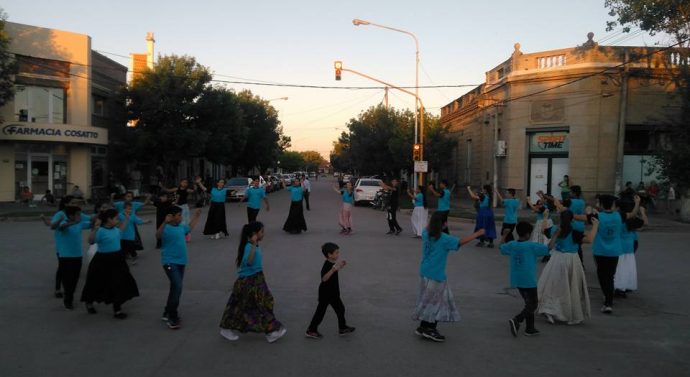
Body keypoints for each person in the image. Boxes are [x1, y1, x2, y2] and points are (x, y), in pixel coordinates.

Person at [413, 212, 485, 342]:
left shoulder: (425, 233)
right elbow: (460, 242)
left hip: (425, 272)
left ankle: (423, 326)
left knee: (427, 300)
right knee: (436, 303)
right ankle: (430, 329)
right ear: (444, 224)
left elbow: (431, 227)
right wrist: (477, 234)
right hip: (436, 275)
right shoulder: (444, 239)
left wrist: (438, 222)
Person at [219, 222, 287, 343]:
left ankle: (270, 331)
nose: (263, 234)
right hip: (248, 282)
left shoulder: (254, 245)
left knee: (264, 302)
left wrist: (255, 244)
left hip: (257, 279)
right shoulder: (249, 246)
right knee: (248, 306)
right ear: (254, 234)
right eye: (261, 232)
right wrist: (254, 245)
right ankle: (270, 332)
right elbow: (249, 262)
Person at [537, 210, 598, 325]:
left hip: (557, 259)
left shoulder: (555, 229)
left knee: (553, 285)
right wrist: (595, 225)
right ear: (572, 219)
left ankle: (549, 310)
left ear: (560, 219)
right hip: (572, 260)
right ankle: (568, 313)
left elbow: (543, 231)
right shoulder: (575, 232)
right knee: (570, 287)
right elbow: (589, 239)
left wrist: (545, 217)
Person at [81, 209, 140, 318]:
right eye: (116, 218)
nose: (118, 220)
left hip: (117, 259)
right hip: (102, 260)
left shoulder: (116, 230)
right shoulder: (101, 231)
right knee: (95, 282)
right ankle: (89, 302)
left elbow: (122, 228)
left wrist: (127, 219)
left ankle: (117, 309)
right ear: (109, 219)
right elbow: (91, 241)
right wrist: (95, 229)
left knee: (119, 283)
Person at [499, 221, 550, 337]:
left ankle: (530, 328)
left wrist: (504, 235)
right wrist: (556, 234)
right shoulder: (531, 246)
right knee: (533, 304)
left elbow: (501, 248)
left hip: (517, 279)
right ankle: (517, 319)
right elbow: (548, 248)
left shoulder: (512, 244)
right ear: (528, 234)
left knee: (529, 303)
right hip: (529, 280)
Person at [591, 194, 640, 314]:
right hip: (614, 251)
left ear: (601, 204)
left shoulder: (597, 216)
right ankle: (608, 301)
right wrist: (637, 203)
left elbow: (578, 217)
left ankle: (607, 299)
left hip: (600, 251)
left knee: (602, 276)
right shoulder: (620, 215)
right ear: (613, 205)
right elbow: (632, 214)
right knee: (610, 276)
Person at [157, 206, 202, 329]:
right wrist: (164, 222)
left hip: (181, 262)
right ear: (171, 216)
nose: (181, 217)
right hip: (169, 263)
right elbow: (158, 236)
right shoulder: (166, 227)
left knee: (175, 287)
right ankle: (172, 317)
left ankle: (167, 311)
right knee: (177, 286)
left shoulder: (181, 227)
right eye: (178, 215)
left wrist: (196, 216)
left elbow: (190, 228)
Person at [305, 242, 356, 339]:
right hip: (326, 293)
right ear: (329, 254)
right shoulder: (327, 265)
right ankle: (311, 330)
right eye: (336, 253)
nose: (338, 254)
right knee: (320, 313)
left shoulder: (332, 263)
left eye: (338, 252)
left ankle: (342, 328)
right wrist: (333, 269)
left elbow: (334, 269)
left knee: (340, 309)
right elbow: (324, 278)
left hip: (333, 293)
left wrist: (339, 266)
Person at [55, 205, 93, 309]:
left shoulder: (80, 223)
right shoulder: (64, 223)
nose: (80, 216)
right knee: (67, 279)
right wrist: (73, 223)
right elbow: (62, 227)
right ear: (71, 215)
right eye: (77, 214)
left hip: (77, 256)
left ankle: (69, 295)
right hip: (65, 257)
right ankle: (68, 298)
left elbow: (91, 223)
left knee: (75, 278)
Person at [41, 195, 77, 298]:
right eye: (72, 203)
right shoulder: (60, 214)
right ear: (66, 204)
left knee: (71, 269)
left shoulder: (76, 213)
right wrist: (58, 220)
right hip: (62, 247)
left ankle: (68, 287)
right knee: (62, 268)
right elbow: (52, 226)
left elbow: (87, 220)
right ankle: (58, 289)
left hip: (73, 247)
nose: (75, 205)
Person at [614, 204, 647, 298]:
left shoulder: (619, 220)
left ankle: (620, 288)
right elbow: (645, 223)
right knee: (629, 268)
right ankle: (627, 286)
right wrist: (643, 212)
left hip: (620, 248)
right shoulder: (632, 221)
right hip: (630, 247)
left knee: (620, 270)